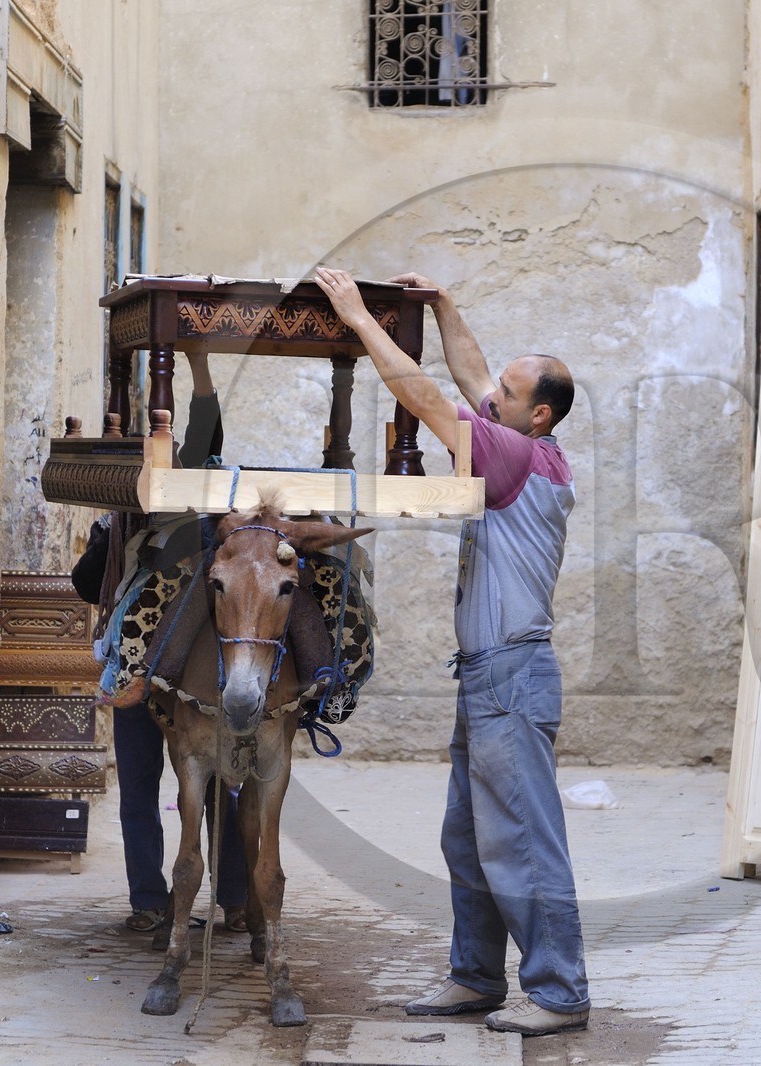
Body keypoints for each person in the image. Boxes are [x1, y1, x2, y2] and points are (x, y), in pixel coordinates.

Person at [315, 267, 590, 1037]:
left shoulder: (512, 458)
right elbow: (469, 376)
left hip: (510, 674)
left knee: (522, 842)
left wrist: (359, 318)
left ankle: (560, 993)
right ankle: (477, 977)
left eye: (505, 393)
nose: (488, 396)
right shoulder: (523, 442)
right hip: (489, 677)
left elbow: (428, 397)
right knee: (469, 838)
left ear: (536, 417)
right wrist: (441, 304)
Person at [71, 352, 249, 935]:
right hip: (137, 670)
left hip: (193, 673)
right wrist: (112, 530)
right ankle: (152, 901)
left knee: (217, 783)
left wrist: (197, 365)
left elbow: (207, 423)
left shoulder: (203, 515)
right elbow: (81, 583)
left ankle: (231, 896)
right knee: (146, 785)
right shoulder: (128, 518)